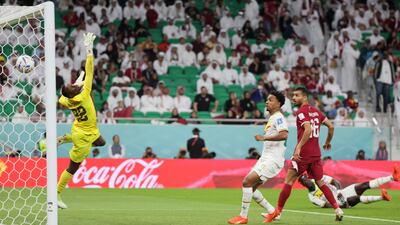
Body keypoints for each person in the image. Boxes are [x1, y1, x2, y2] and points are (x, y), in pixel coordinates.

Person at [264, 87, 343, 223]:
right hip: (316, 154)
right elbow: (331, 126)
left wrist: (298, 148)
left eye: (297, 95)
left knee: (288, 181)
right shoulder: (317, 112)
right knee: (320, 183)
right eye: (293, 95)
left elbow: (308, 129)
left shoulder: (301, 112)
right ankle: (337, 209)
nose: (294, 98)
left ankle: (277, 213)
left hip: (303, 154)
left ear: (305, 97)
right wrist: (327, 142)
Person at [56, 33, 106, 209]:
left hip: (86, 128)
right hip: (83, 136)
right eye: (72, 86)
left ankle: (65, 138)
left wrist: (77, 82)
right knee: (73, 167)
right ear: (74, 93)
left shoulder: (68, 99)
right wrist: (89, 49)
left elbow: (62, 99)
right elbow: (90, 69)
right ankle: (57, 193)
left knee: (101, 142)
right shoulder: (84, 95)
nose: (73, 84)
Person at [228, 91, 288, 224]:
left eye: (271, 100)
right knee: (251, 189)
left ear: (279, 103)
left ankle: (243, 217)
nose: (267, 102)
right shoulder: (272, 118)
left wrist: (263, 137)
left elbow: (284, 135)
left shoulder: (278, 118)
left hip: (273, 160)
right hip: (266, 158)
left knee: (246, 182)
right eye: (267, 100)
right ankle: (272, 212)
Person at [298, 165, 400, 208]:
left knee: (363, 185)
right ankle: (382, 197)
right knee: (357, 198)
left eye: (306, 179)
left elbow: (335, 182)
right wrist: (339, 204)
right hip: (339, 203)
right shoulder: (312, 198)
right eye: (304, 182)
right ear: (304, 185)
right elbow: (325, 205)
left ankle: (392, 177)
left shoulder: (319, 178)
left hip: (342, 193)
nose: (307, 182)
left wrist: (338, 192)